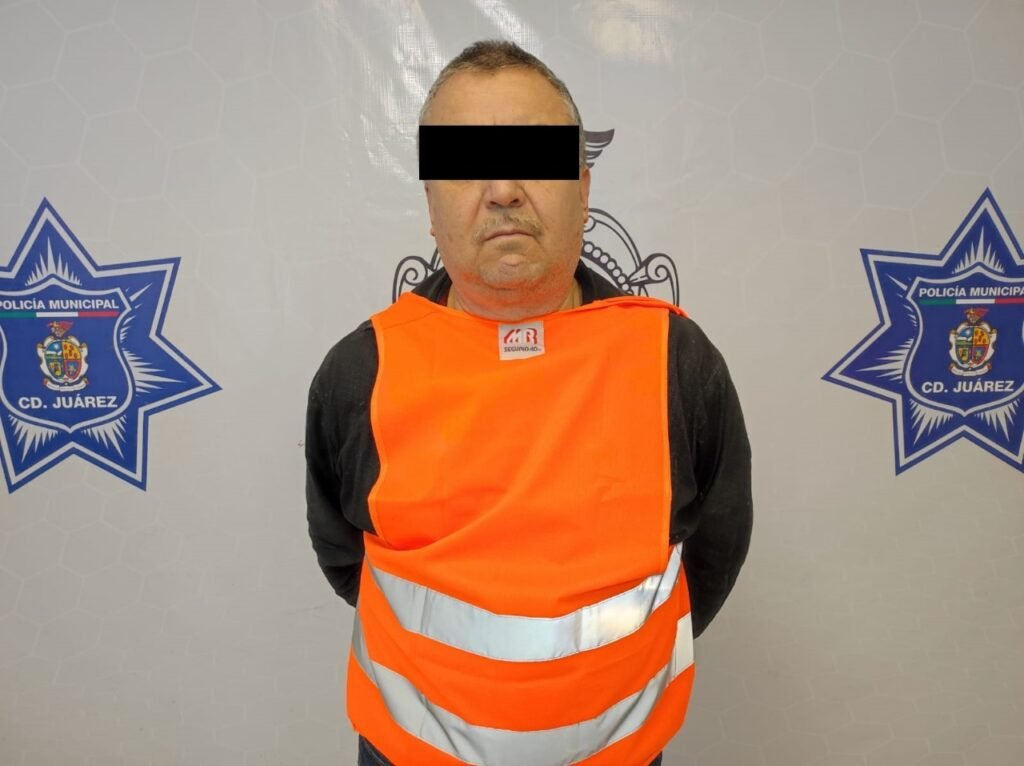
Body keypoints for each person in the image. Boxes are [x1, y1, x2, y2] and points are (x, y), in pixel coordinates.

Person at [305, 40, 753, 766]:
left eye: (535, 157)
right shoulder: (361, 372)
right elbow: (343, 553)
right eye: (465, 163)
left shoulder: (675, 362)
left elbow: (713, 550)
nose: (504, 189)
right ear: (430, 202)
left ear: (583, 185)